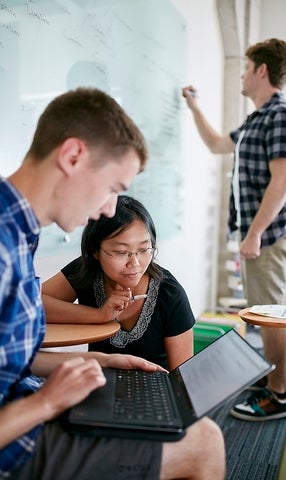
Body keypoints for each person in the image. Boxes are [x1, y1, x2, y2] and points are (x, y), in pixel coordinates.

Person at [0, 87, 225, 479]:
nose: (107, 209)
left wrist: (101, 361)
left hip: (30, 402)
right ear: (72, 157)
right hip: (18, 443)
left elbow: (13, 362)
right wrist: (46, 403)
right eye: (113, 189)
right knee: (204, 441)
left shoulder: (20, 235)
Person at [182, 38, 286, 421]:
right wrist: (194, 105)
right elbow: (219, 144)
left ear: (261, 71)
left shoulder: (281, 114)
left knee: (269, 314)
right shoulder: (257, 119)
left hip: (270, 233)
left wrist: (254, 233)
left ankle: (280, 394)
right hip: (258, 232)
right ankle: (272, 377)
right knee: (261, 311)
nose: (242, 74)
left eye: (245, 67)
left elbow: (282, 181)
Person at [41, 195, 195, 371]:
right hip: (98, 385)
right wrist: (99, 315)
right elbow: (31, 304)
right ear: (95, 251)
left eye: (144, 249)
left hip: (156, 393)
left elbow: (182, 380)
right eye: (121, 252)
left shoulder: (170, 293)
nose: (135, 264)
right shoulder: (86, 271)